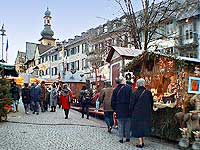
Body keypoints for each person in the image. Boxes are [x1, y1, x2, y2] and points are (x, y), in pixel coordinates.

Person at [130, 78, 153, 148]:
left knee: (138, 127)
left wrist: (131, 111)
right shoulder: (148, 93)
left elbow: (132, 104)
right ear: (144, 84)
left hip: (137, 112)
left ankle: (140, 143)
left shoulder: (134, 93)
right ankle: (142, 141)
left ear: (137, 84)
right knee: (143, 126)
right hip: (146, 112)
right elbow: (151, 103)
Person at [111, 76, 132, 143]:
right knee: (128, 124)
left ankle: (121, 138)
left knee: (120, 124)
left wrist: (115, 109)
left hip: (119, 109)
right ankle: (128, 137)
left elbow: (112, 101)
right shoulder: (129, 88)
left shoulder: (115, 90)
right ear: (123, 81)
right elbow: (131, 99)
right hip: (127, 109)